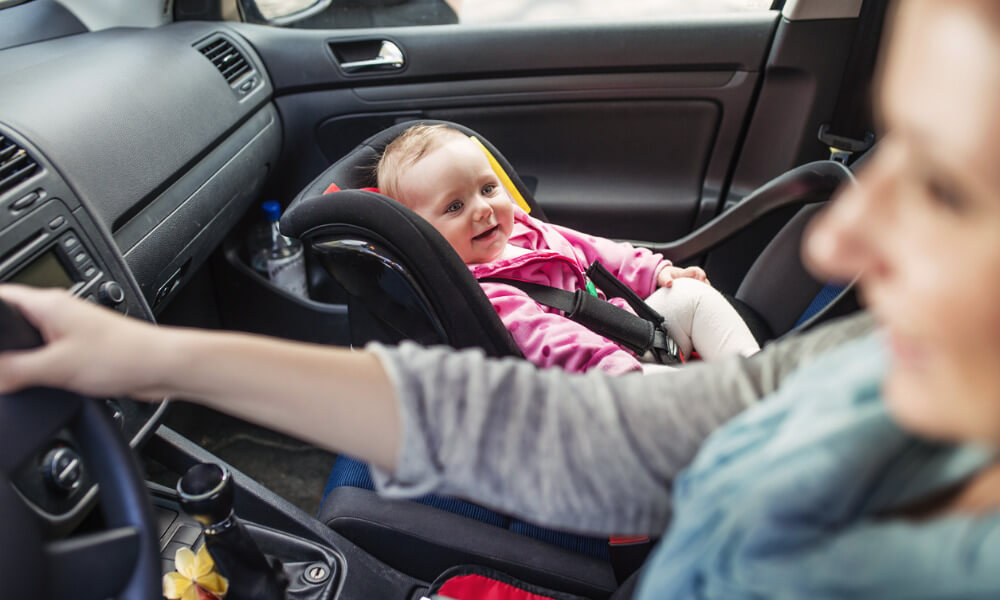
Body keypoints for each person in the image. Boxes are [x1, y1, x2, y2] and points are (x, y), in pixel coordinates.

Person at [3, 0, 1000, 595]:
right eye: (887, 147)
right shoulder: (849, 382)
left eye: (946, 189)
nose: (837, 236)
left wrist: (659, 305)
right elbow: (555, 426)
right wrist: (148, 357)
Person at [375, 123, 760, 374]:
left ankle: (760, 380)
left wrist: (656, 271)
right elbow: (547, 341)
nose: (483, 209)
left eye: (488, 188)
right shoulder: (482, 293)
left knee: (691, 295)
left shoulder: (525, 230)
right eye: (455, 207)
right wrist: (614, 366)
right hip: (593, 379)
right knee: (673, 394)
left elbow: (594, 252)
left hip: (624, 328)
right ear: (419, 233)